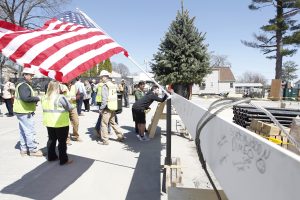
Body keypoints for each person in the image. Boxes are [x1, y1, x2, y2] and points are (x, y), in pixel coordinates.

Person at [42, 81, 73, 165]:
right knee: (62, 142)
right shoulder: (60, 97)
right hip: (60, 123)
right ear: (57, 88)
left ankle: (51, 157)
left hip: (49, 122)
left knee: (51, 139)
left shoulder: (44, 97)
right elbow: (69, 107)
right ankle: (63, 160)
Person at [13, 67, 43, 156]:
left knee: (23, 131)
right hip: (25, 112)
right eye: (31, 75)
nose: (32, 77)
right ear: (25, 75)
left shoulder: (22, 84)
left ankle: (24, 149)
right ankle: (33, 149)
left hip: (22, 111)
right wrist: (37, 98)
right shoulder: (23, 85)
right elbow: (26, 98)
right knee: (29, 131)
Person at [99, 70, 125, 145]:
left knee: (104, 124)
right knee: (113, 123)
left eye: (101, 77)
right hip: (113, 107)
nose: (101, 78)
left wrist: (101, 108)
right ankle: (121, 136)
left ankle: (105, 140)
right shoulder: (112, 85)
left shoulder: (105, 86)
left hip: (107, 108)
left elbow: (104, 99)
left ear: (105, 77)